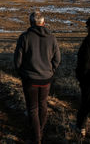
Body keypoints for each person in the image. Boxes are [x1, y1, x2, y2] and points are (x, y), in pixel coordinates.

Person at [14, 11, 61, 143]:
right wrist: (51, 71)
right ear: (43, 23)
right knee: (43, 104)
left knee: (32, 108)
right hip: (46, 79)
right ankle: (40, 130)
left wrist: (21, 73)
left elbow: (18, 60)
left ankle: (36, 137)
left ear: (30, 23)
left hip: (30, 79)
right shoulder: (52, 38)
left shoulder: (24, 37)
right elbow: (57, 59)